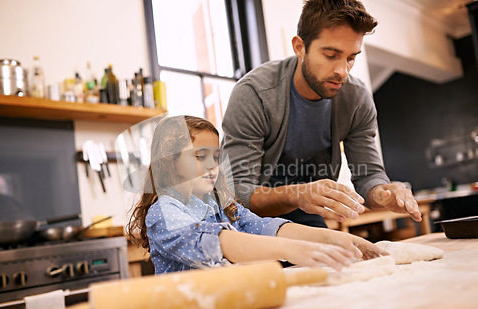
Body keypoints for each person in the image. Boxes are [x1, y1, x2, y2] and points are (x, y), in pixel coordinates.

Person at [221, 0, 422, 228]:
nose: (342, 71)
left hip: (304, 211)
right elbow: (237, 192)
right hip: (245, 221)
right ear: (299, 47)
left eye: (350, 58)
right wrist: (297, 194)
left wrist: (383, 193)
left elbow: (368, 175)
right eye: (330, 55)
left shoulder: (356, 99)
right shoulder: (254, 94)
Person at [127, 115, 387, 274]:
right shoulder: (164, 213)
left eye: (216, 157)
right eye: (200, 156)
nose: (211, 166)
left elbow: (266, 227)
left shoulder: (221, 206)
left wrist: (337, 240)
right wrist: (293, 250)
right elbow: (217, 243)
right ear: (169, 162)